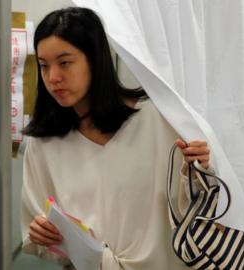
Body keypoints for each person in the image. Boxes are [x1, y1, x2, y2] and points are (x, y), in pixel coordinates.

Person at [20, 7, 212, 270]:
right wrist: (41, 233)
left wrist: (201, 166)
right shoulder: (43, 143)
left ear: (95, 60)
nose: (53, 77)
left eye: (65, 62)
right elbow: (38, 231)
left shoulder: (159, 119)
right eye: (44, 66)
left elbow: (198, 207)